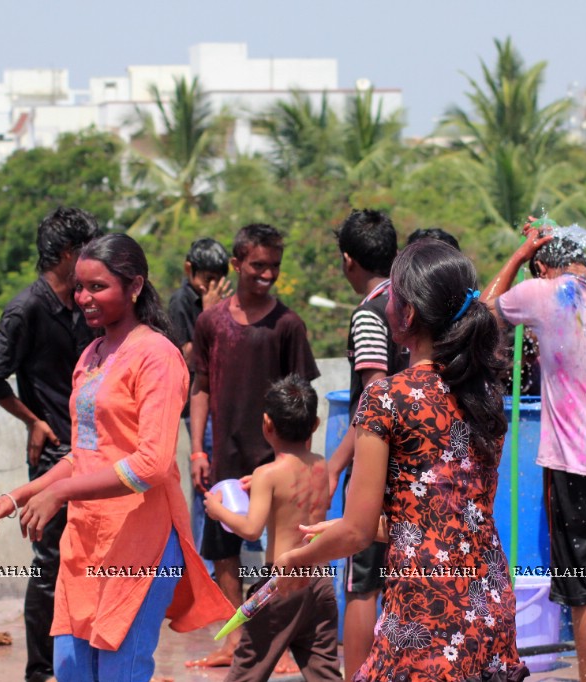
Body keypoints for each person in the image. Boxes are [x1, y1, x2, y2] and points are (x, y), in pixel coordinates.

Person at [0, 233, 233, 682]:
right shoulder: (92, 356)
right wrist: (18, 496)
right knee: (72, 670)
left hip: (143, 538)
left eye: (98, 287)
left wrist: (60, 492)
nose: (84, 298)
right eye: (79, 287)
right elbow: (84, 454)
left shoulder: (157, 356)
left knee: (121, 671)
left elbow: (151, 464)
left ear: (134, 287)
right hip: (87, 538)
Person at [275, 240, 527, 681]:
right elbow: (440, 521)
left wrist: (298, 560)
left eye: (392, 294)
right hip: (486, 601)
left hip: (424, 611)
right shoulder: (485, 394)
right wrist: (339, 528)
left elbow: (357, 533)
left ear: (407, 315)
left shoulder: (386, 398)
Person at [483, 225, 586, 682]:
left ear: (542, 267)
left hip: (576, 466)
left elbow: (485, 308)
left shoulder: (543, 293)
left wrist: (518, 254)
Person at [0, 206, 102, 682]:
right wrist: (33, 421)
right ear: (69, 254)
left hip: (94, 452)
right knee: (50, 562)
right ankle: (41, 670)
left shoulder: (87, 306)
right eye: (87, 251)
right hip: (54, 456)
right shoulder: (27, 307)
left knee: (92, 559)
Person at [187, 223, 320, 669]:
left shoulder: (288, 325)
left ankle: (276, 640)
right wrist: (197, 450)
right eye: (258, 265)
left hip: (277, 453)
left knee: (282, 548)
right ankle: (235, 638)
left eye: (274, 267)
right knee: (224, 549)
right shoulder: (210, 322)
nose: (267, 274)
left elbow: (302, 397)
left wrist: (301, 458)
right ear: (237, 263)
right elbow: (200, 386)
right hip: (224, 450)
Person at [204, 375, 341, 682]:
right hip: (320, 583)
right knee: (325, 671)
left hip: (280, 585)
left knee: (247, 671)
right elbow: (300, 503)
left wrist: (218, 510)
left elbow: (252, 530)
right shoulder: (321, 464)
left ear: (267, 424)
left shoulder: (267, 474)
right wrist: (267, 491)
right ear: (315, 424)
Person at [326, 209, 407, 682]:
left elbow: (376, 399)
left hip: (378, 465)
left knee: (362, 582)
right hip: (416, 463)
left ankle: (356, 675)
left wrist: (337, 465)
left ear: (347, 260)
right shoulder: (413, 301)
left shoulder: (370, 314)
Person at [167, 237, 231, 574]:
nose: (212, 286)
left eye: (217, 278)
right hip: (197, 402)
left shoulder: (225, 300)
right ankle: (203, 566)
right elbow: (185, 356)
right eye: (206, 277)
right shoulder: (181, 303)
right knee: (204, 481)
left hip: (224, 403)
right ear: (190, 270)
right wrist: (209, 313)